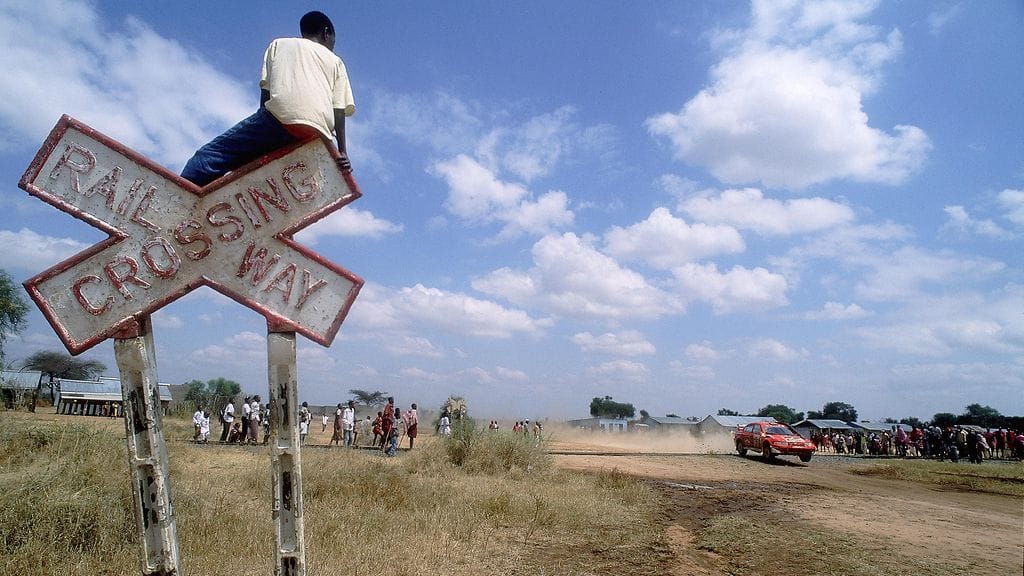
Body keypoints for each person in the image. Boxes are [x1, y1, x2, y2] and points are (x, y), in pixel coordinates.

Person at [180, 11, 356, 186]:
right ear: (326, 33)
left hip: (280, 120)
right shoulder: (336, 62)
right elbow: (338, 109)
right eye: (333, 41)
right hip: (319, 134)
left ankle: (181, 195)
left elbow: (266, 95)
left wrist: (262, 133)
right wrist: (342, 152)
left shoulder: (279, 44)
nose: (332, 45)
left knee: (208, 157)